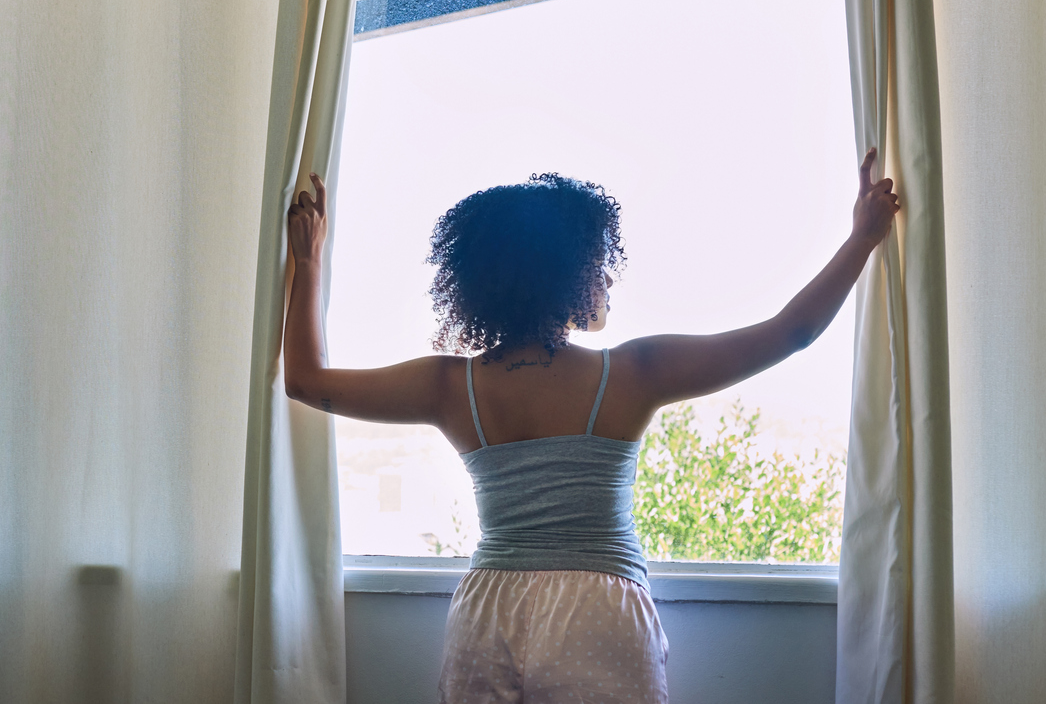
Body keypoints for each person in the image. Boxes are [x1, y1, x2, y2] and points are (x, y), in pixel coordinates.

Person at [284, 149, 899, 703]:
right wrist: (862, 240)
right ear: (567, 274)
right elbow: (790, 332)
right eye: (598, 265)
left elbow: (305, 382)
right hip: (597, 610)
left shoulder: (450, 386)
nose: (606, 280)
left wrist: (308, 261)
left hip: (486, 610)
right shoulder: (634, 371)